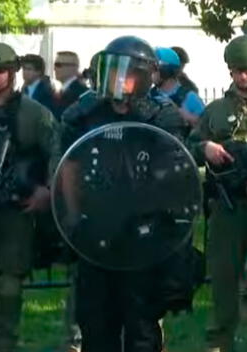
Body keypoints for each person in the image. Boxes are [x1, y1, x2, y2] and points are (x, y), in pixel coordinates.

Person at [57, 35, 188, 352]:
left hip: (143, 235)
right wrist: (74, 217)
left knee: (142, 327)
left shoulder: (161, 116)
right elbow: (68, 167)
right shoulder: (86, 112)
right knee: (95, 324)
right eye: (111, 70)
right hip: (96, 233)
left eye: (125, 71)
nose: (117, 78)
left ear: (144, 75)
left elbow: (173, 176)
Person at [188, 34, 247, 352]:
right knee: (224, 282)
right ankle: (219, 343)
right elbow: (187, 148)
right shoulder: (216, 111)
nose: (241, 77)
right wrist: (205, 147)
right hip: (227, 210)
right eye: (235, 71)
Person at [0, 42, 57, 352]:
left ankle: (3, 344)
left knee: (9, 285)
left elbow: (58, 158)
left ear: (13, 72)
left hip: (15, 211)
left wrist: (47, 191)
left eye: (0, 70)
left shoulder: (34, 114)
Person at [150, 47, 205, 130]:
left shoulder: (189, 97)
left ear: (166, 70)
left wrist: (186, 116)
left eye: (154, 69)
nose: (150, 73)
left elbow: (206, 127)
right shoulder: (148, 95)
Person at [52, 51, 88, 120]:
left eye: (58, 65)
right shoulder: (62, 91)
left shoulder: (80, 93)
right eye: (55, 65)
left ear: (74, 67)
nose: (54, 69)